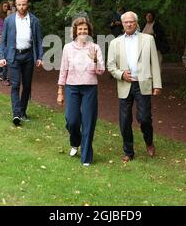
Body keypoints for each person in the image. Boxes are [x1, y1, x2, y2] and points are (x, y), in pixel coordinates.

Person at [107, 11, 162, 163]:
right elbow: (110, 65)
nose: (129, 24)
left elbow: (154, 63)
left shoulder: (148, 39)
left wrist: (157, 84)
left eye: (132, 22)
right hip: (125, 83)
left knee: (144, 118)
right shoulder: (115, 43)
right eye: (126, 22)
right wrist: (120, 74)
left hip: (143, 83)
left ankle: (149, 142)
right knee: (124, 120)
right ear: (122, 24)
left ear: (137, 23)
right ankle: (128, 151)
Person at [57, 18, 105, 166]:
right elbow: (63, 69)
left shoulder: (95, 47)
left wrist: (96, 60)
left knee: (88, 122)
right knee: (72, 121)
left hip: (90, 87)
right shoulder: (68, 48)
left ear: (89, 31)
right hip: (72, 87)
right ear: (75, 31)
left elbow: (101, 71)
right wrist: (60, 90)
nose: (83, 32)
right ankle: (75, 142)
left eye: (85, 29)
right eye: (80, 29)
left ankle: (86, 157)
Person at [0, 0, 44, 126]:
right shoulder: (9, 20)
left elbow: (39, 40)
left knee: (27, 86)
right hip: (14, 56)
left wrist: (40, 57)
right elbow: (3, 41)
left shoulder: (34, 20)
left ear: (27, 4)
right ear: (15, 6)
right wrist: (1, 57)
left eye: (23, 4)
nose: (21, 7)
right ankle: (16, 114)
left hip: (28, 56)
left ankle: (23, 112)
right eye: (19, 5)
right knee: (16, 85)